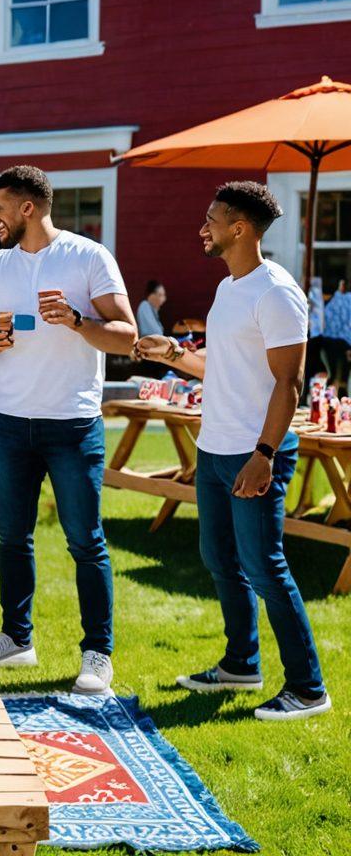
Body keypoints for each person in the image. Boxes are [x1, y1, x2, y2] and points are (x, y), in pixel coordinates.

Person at [136, 181, 330, 721]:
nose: (204, 228)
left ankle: (309, 689)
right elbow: (220, 367)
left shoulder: (277, 292)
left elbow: (288, 384)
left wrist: (264, 453)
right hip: (216, 448)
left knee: (265, 567)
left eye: (212, 220)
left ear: (240, 229)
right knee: (219, 559)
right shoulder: (229, 289)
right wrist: (173, 353)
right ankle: (241, 664)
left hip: (255, 452)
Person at [0, 165, 137, 694]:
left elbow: (127, 337)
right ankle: (17, 639)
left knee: (86, 541)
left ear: (28, 209)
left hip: (73, 423)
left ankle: (97, 654)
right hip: (11, 422)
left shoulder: (88, 257)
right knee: (13, 537)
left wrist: (78, 321)